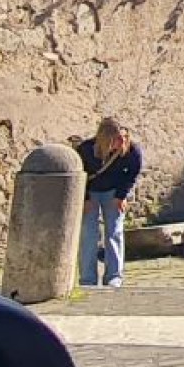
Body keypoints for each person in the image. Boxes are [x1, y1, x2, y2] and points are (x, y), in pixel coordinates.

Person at [73, 117, 143, 288]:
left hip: (113, 192)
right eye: (117, 139)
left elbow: (132, 173)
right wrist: (86, 199)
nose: (121, 142)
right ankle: (87, 279)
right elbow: (79, 174)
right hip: (91, 191)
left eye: (124, 137)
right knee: (88, 235)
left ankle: (114, 276)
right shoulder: (86, 149)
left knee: (114, 233)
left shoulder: (132, 150)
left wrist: (121, 196)